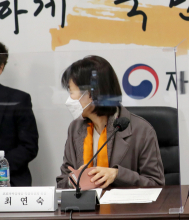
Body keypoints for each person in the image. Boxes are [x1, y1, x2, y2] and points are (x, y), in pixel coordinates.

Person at [56, 55, 164, 188]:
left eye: (72, 92)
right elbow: (62, 181)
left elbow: (156, 183)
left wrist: (118, 174)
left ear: (91, 94)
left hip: (125, 202)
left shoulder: (141, 130)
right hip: (85, 202)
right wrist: (74, 179)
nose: (69, 100)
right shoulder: (75, 128)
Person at [0, 42, 39, 186]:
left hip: (8, 181)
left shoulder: (18, 99)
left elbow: (29, 146)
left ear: (0, 68)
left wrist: (2, 166)